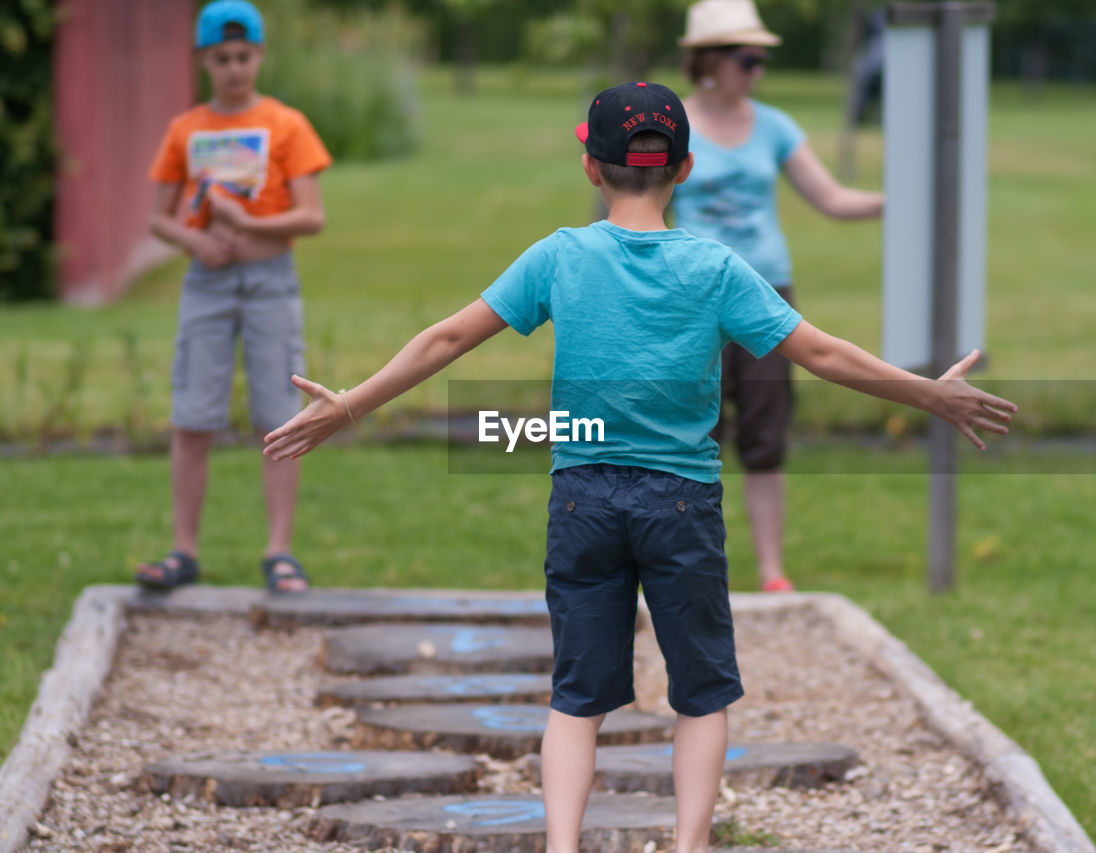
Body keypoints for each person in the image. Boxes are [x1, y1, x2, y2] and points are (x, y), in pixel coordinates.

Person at [262, 82, 1014, 853]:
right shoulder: (716, 269)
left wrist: (350, 404)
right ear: (684, 168)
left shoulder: (559, 256)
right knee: (700, 695)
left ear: (591, 166)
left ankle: (561, 845)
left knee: (575, 699)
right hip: (681, 503)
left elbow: (447, 339)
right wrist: (928, 394)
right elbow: (820, 352)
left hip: (583, 500)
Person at [672, 0, 886, 593]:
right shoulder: (673, 125)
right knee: (691, 437)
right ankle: (689, 565)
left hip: (765, 295)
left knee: (766, 434)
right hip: (692, 300)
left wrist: (900, 201)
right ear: (708, 61)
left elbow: (833, 199)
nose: (757, 70)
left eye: (762, 59)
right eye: (747, 58)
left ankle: (771, 572)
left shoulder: (775, 125)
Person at [136, 0, 331, 594]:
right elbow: (159, 220)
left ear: (260, 55)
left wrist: (242, 222)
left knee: (279, 413)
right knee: (193, 413)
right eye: (222, 58)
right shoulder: (185, 130)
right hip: (208, 286)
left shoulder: (287, 125)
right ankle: (183, 550)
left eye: (244, 56)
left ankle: (279, 552)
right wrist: (197, 240)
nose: (235, 68)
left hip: (271, 281)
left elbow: (311, 217)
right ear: (203, 61)